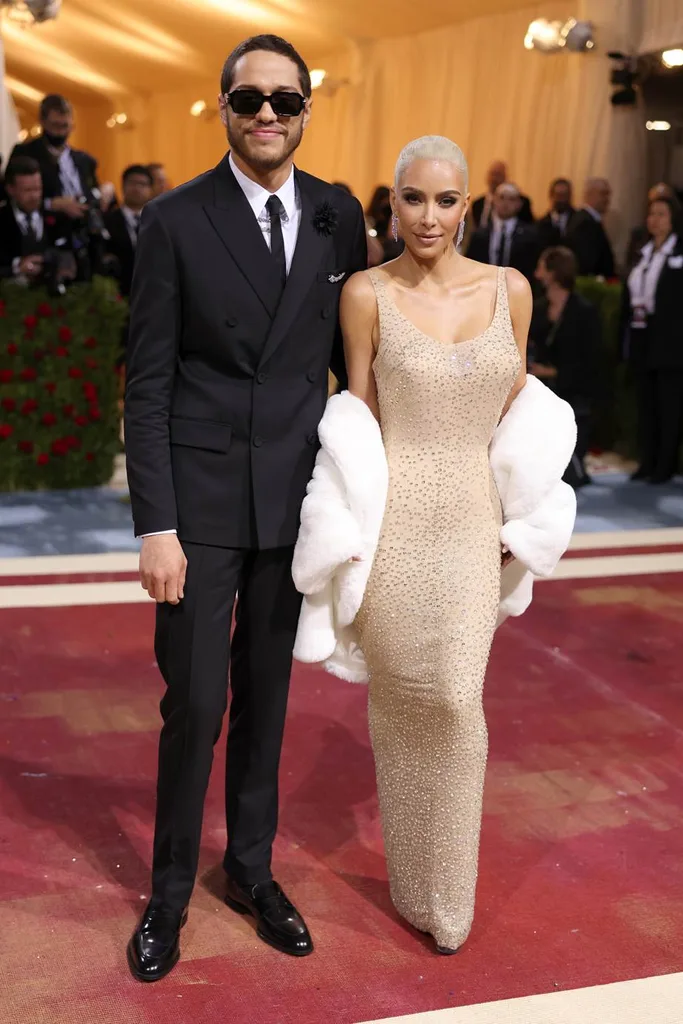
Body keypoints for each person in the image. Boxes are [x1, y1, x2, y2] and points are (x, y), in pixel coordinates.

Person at [124, 33, 367, 982]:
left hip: (295, 503)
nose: (267, 114)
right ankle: (171, 893)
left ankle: (253, 871)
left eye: (285, 100)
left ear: (308, 109)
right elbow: (147, 382)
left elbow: (360, 357)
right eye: (248, 98)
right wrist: (156, 525)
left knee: (268, 701)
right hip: (202, 502)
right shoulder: (176, 220)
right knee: (196, 703)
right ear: (221, 106)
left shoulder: (342, 215)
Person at [339, 135, 531, 954]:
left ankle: (447, 894)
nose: (429, 216)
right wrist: (344, 537)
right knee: (402, 705)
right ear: (392, 203)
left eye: (445, 200)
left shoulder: (509, 289)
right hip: (396, 521)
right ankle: (412, 885)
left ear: (467, 206)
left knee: (456, 701)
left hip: (472, 523)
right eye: (413, 198)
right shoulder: (364, 293)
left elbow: (522, 414)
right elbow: (357, 418)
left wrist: (523, 518)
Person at [624, 196, 683, 484]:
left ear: (673, 219)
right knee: (645, 404)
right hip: (642, 336)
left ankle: (665, 464)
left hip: (671, 342)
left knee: (668, 405)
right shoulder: (642, 252)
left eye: (661, 214)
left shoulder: (678, 253)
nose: (654, 219)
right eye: (651, 214)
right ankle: (647, 461)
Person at [531, 246, 600, 488]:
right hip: (540, 387)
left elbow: (590, 360)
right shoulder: (537, 309)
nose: (536, 273)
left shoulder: (584, 312)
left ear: (553, 273)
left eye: (541, 267)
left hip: (574, 389)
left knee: (570, 476)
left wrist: (553, 372)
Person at [10, 94, 99, 222]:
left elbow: (92, 192)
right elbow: (12, 196)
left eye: (65, 126)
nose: (61, 133)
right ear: (43, 122)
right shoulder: (25, 153)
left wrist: (103, 192)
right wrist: (52, 204)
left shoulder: (84, 160)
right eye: (55, 126)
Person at [0, 156, 73, 284]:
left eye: (38, 189)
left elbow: (67, 251)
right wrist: (17, 268)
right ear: (10, 190)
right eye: (27, 190)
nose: (34, 196)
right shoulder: (2, 219)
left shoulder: (56, 217)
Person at [466, 182, 539, 283]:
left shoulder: (530, 236)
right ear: (494, 201)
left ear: (519, 204)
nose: (506, 203)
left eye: (511, 199)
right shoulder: (480, 235)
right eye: (501, 197)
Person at [104, 164, 154, 298]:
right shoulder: (107, 221)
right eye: (132, 183)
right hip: (118, 295)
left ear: (150, 190)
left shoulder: (159, 223)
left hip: (152, 294)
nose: (137, 188)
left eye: (142, 184)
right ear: (123, 186)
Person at [565, 177, 615, 278]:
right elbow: (586, 262)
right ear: (589, 194)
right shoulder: (585, 223)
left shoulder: (589, 220)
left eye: (608, 194)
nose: (607, 199)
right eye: (603, 194)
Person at [471, 159, 533, 228]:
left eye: (498, 174)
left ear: (506, 177)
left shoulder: (521, 202)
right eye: (492, 174)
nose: (494, 179)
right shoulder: (477, 204)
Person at [535, 178, 577, 251]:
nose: (562, 200)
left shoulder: (578, 221)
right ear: (551, 196)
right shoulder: (541, 224)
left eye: (565, 195)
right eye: (559, 195)